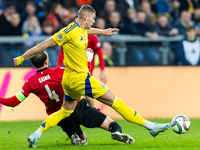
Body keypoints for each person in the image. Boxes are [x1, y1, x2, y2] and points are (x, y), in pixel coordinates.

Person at [13, 5, 170, 148]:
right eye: (93, 19)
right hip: (81, 78)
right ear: (85, 17)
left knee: (64, 112)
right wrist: (22, 58)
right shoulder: (67, 32)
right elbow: (43, 45)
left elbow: (85, 31)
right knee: (115, 102)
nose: (94, 22)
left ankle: (36, 134)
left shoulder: (78, 30)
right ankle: (151, 127)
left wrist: (103, 32)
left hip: (68, 80)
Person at [1, 51, 134, 147]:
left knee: (82, 139)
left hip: (58, 116)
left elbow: (13, 102)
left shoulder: (30, 83)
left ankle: (76, 136)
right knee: (113, 124)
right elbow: (82, 76)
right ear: (46, 61)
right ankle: (116, 132)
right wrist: (87, 59)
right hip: (75, 107)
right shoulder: (60, 71)